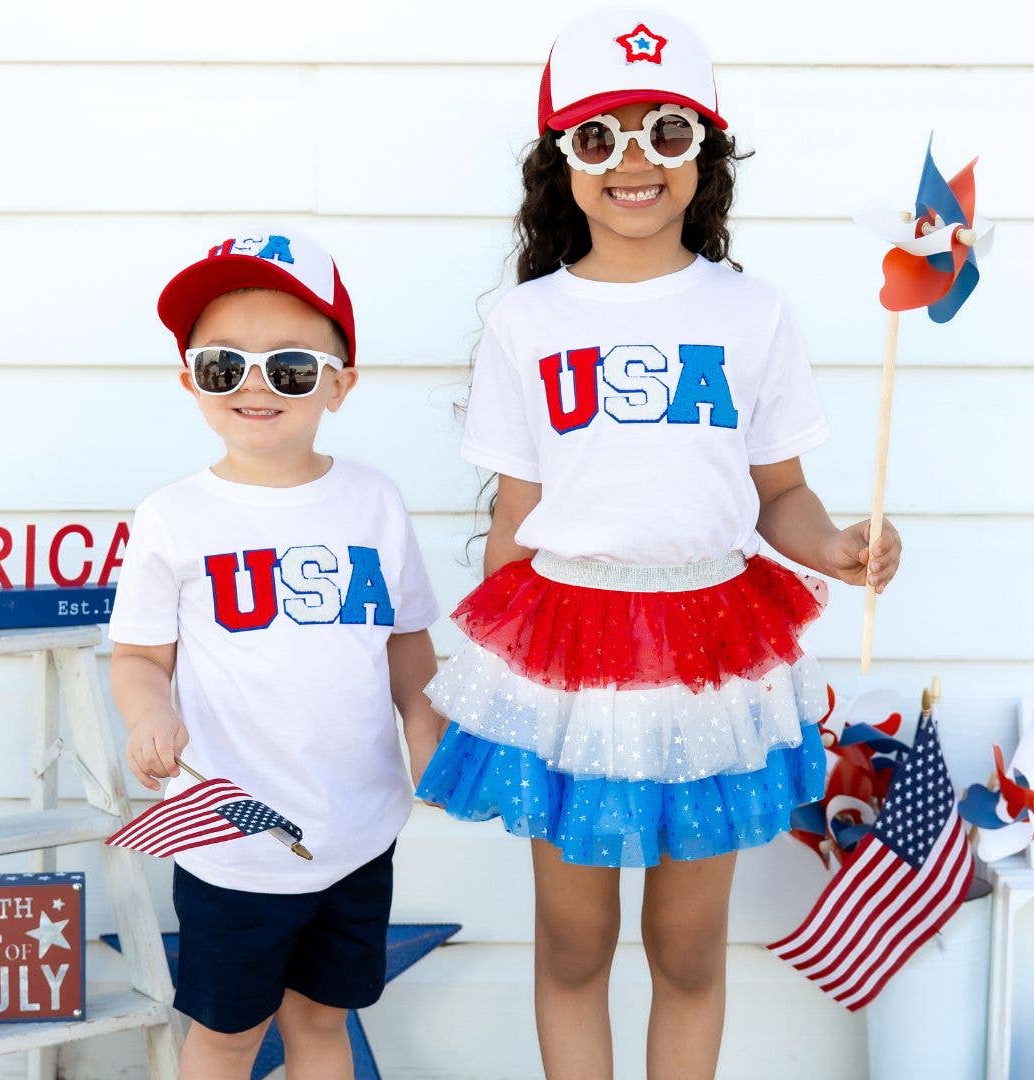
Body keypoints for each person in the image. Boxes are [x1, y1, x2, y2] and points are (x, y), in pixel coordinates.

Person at [416, 9, 902, 1079]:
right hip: (567, 646)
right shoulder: (524, 320)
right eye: (600, 138)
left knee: (686, 949)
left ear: (704, 154)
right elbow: (514, 515)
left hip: (709, 646)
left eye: (664, 133)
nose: (633, 162)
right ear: (563, 162)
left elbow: (782, 496)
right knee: (575, 942)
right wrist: (494, 679)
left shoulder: (753, 312)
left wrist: (840, 546)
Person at [108, 229, 444, 1080]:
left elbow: (406, 639)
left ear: (341, 385)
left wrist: (425, 725)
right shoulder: (175, 516)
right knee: (225, 1036)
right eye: (225, 365)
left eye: (290, 366)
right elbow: (140, 656)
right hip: (233, 839)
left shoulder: (373, 501)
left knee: (322, 1026)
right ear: (190, 381)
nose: (255, 387)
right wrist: (151, 712)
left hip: (358, 825)